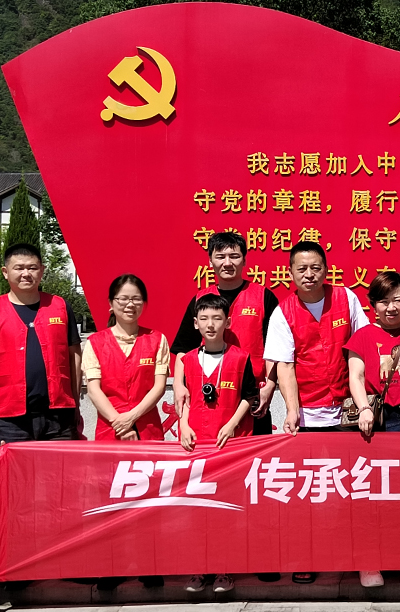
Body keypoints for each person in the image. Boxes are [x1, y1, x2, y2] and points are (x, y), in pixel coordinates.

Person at [264, 241, 369, 584]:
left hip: (347, 412)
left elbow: (362, 346)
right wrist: (292, 411)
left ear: (326, 269)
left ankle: (354, 555)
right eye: (302, 269)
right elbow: (284, 366)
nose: (309, 275)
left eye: (315, 268)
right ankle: (305, 556)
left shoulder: (346, 298)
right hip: (308, 414)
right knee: (307, 490)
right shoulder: (283, 312)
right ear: (290, 273)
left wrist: (363, 402)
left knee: (352, 487)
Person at [344, 271, 400, 588]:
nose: (391, 307)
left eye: (397, 300)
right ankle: (370, 563)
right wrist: (364, 408)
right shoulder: (363, 336)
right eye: (383, 301)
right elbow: (355, 376)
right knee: (372, 497)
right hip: (376, 426)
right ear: (373, 305)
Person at [176, 293, 262, 593]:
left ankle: (225, 569)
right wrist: (183, 425)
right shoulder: (187, 360)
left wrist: (232, 423)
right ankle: (199, 569)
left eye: (217, 318)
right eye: (204, 318)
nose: (211, 324)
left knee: (227, 509)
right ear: (195, 323)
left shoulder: (240, 357)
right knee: (197, 511)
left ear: (228, 322)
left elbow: (250, 396)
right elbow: (183, 400)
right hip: (196, 445)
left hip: (230, 444)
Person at [0, 244, 82, 444]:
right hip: (9, 419)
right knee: (12, 465)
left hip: (58, 416)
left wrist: (75, 403)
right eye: (19, 268)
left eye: (32, 268)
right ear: (5, 272)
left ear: (42, 271)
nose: (26, 274)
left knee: (59, 465)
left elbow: (74, 356)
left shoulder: (60, 307)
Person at [172, 232, 280, 434]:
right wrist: (178, 385)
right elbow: (183, 349)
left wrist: (270, 386)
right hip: (207, 398)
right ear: (210, 261)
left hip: (252, 396)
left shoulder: (264, 297)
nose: (227, 263)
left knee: (254, 452)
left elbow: (276, 349)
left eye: (234, 256)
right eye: (220, 257)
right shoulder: (201, 299)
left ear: (244, 260)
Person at [83, 274, 168, 441]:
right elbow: (94, 390)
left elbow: (159, 387)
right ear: (111, 303)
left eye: (136, 299)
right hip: (110, 430)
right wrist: (120, 424)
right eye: (123, 299)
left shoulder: (157, 340)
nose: (130, 304)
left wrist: (131, 417)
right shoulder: (95, 343)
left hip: (148, 430)